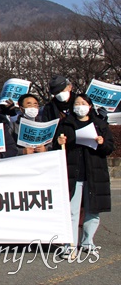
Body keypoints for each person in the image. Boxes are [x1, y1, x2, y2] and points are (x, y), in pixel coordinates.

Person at [54, 94, 114, 259]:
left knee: (92, 211)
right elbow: (55, 145)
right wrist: (60, 142)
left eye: (83, 103)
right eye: (77, 103)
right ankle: (70, 245)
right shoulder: (65, 123)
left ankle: (88, 242)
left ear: (90, 105)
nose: (80, 106)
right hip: (73, 173)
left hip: (94, 173)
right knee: (71, 212)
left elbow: (109, 147)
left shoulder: (99, 124)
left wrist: (102, 143)